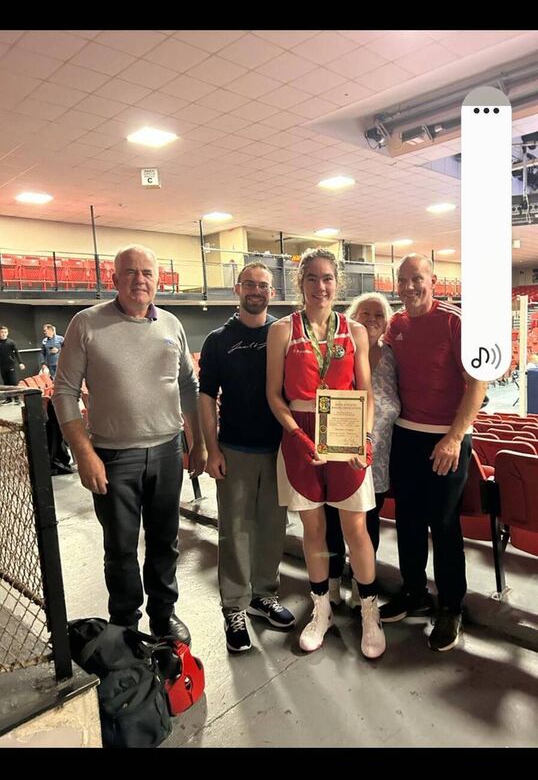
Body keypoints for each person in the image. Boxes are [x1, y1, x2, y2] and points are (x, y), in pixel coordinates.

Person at [53, 245, 206, 643]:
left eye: (147, 273)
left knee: (164, 542)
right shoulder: (86, 324)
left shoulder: (171, 324)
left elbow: (189, 387)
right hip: (112, 456)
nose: (140, 280)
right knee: (120, 548)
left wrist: (198, 442)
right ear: (114, 278)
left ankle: (163, 614)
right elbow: (64, 392)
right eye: (131, 272)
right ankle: (125, 623)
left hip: (168, 451)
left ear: (158, 280)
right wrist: (84, 453)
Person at [266, 248, 385, 659]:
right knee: (313, 532)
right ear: (300, 283)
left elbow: (366, 392)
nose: (321, 286)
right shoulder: (282, 330)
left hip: (346, 437)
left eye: (328, 278)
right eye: (313, 278)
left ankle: (369, 611)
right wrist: (298, 435)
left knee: (357, 531)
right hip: (301, 440)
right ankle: (321, 609)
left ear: (339, 283)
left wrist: (366, 439)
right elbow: (274, 395)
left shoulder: (354, 331)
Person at [379, 254, 487, 652]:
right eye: (403, 280)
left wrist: (455, 437)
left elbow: (477, 383)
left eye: (417, 279)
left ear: (434, 281)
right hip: (407, 436)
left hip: (447, 439)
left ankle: (451, 606)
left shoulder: (455, 321)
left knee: (443, 525)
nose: (409, 287)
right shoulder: (397, 324)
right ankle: (413, 593)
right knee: (407, 521)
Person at [198, 262, 293, 654]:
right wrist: (211, 448)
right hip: (235, 449)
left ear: (272, 292)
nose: (257, 291)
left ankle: (263, 596)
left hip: (278, 451)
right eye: (250, 284)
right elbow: (206, 397)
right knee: (234, 530)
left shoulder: (284, 335)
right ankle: (233, 606)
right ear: (238, 289)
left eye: (264, 286)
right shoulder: (219, 340)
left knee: (273, 527)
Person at [324, 292, 400, 605]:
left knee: (368, 524)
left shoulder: (393, 355)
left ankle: (361, 585)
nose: (371, 320)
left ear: (387, 323)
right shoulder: (338, 351)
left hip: (378, 457)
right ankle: (329, 586)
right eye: (365, 314)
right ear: (353, 317)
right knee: (332, 522)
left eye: (379, 315)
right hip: (340, 453)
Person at [0, 325, 25, 403]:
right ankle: (9, 399)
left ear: (7, 333)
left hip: (10, 365)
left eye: (5, 332)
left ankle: (17, 398)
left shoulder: (11, 342)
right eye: (2, 332)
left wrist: (20, 362)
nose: (3, 334)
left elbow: (17, 353)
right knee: (6, 382)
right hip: (2, 366)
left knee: (13, 382)